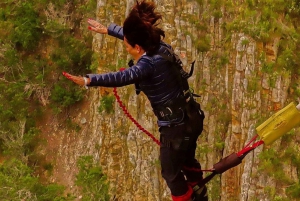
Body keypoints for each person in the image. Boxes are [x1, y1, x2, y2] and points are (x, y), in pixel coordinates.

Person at [63, 1, 207, 200]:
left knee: (170, 172)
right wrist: (109, 30)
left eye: (127, 46)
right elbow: (137, 37)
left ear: (137, 47)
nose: (127, 48)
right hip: (192, 116)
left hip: (175, 128)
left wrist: (89, 80)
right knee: (187, 159)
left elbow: (121, 77)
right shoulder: (160, 46)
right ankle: (200, 191)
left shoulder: (147, 65)